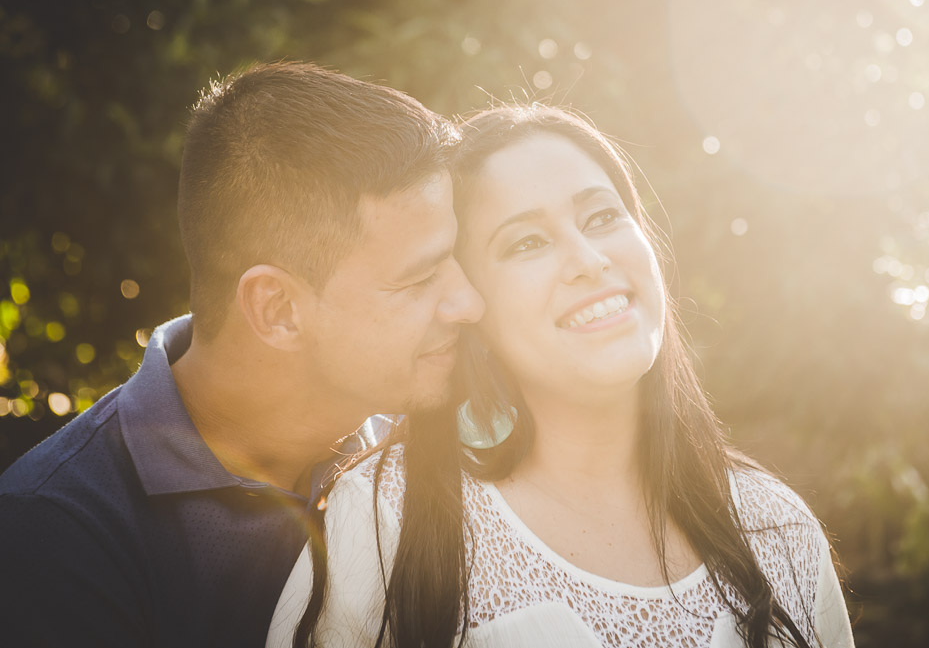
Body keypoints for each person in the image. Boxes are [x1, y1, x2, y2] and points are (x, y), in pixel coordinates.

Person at [269, 104, 854, 648]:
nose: (589, 261)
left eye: (602, 217)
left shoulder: (778, 529)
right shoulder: (386, 521)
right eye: (527, 242)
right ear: (472, 304)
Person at [0, 62, 484, 648]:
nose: (469, 302)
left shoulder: (428, 455)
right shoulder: (57, 533)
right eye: (418, 278)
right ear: (277, 309)